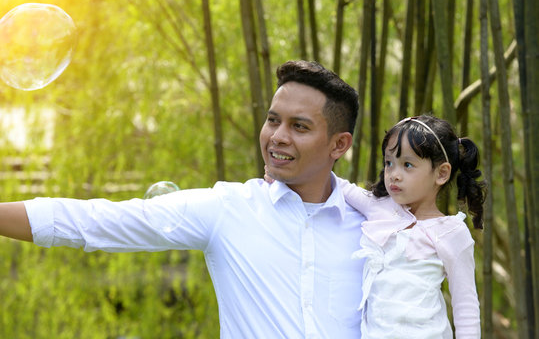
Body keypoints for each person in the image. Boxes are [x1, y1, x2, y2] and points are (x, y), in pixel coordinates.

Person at [0, 60, 367, 338]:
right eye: (273, 121)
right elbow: (95, 221)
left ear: (339, 144)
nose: (278, 136)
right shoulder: (229, 209)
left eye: (299, 126)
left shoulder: (376, 224)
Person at [340, 114, 483, 338]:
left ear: (441, 173)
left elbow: (466, 308)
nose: (394, 175)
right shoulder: (378, 207)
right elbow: (336, 186)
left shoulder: (451, 233)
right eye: (389, 163)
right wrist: (287, 174)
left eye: (407, 165)